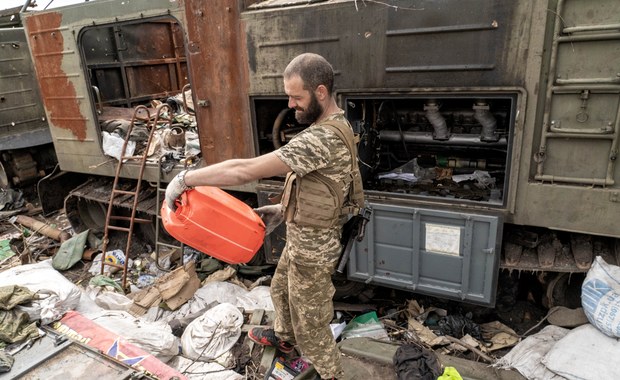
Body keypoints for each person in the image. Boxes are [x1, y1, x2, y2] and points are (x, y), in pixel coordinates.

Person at [165, 53, 362, 380]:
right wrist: (281, 210)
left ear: (322, 92)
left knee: (311, 325)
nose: (291, 104)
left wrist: (186, 179)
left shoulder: (321, 137)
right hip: (303, 237)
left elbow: (244, 170)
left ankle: (332, 375)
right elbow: (321, 184)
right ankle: (284, 339)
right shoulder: (334, 125)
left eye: (297, 97)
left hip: (313, 247)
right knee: (280, 290)